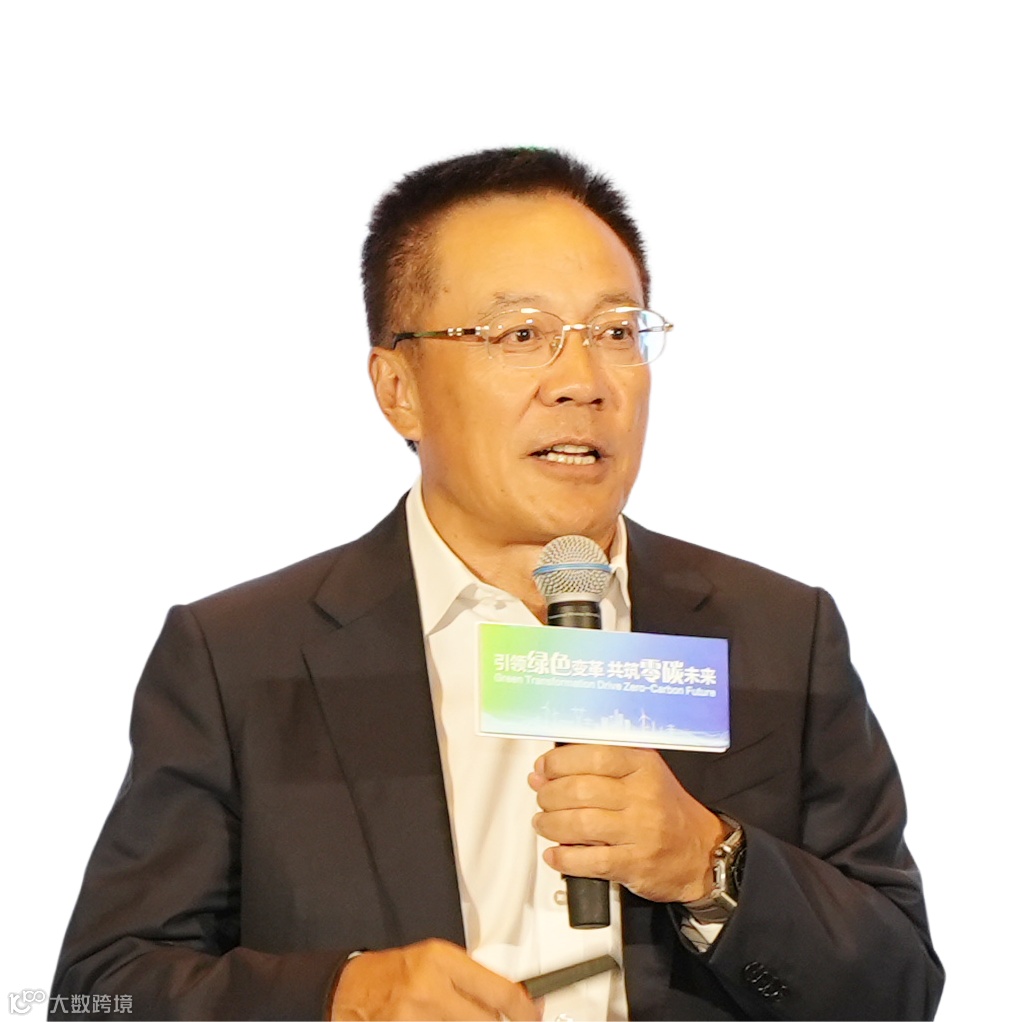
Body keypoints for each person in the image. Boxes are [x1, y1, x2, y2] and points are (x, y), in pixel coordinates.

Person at [51, 148, 943, 1021]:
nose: (583, 383)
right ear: (398, 388)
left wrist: (710, 865)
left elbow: (899, 991)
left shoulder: (776, 634)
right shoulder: (243, 659)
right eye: (521, 335)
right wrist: (340, 998)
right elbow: (99, 994)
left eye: (616, 333)